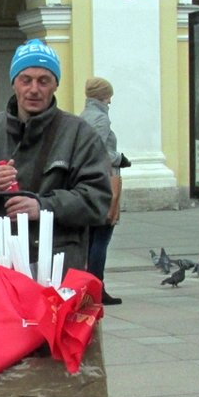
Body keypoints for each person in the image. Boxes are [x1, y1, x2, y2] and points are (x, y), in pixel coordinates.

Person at [0, 39, 111, 274]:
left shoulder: (80, 134)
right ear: (14, 83)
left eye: (43, 81)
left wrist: (43, 206)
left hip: (58, 265)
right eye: (26, 80)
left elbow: (97, 200)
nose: (34, 89)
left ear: (55, 85)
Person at [80, 77, 123, 305]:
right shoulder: (100, 119)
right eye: (109, 96)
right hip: (103, 182)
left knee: (90, 238)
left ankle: (89, 286)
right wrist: (121, 158)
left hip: (86, 182)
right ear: (103, 96)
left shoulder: (83, 115)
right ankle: (97, 287)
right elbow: (100, 152)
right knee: (102, 237)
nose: (110, 101)